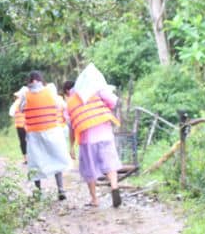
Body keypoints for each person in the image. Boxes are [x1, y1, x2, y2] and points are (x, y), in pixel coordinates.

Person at [64, 80, 123, 208]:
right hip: (105, 135)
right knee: (110, 164)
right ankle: (114, 187)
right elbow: (114, 102)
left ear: (69, 91)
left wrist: (72, 147)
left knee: (89, 169)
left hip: (87, 140)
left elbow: (72, 127)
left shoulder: (70, 102)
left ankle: (94, 199)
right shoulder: (96, 92)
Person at [20, 71, 70, 200]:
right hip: (52, 131)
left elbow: (20, 109)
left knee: (36, 162)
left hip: (34, 133)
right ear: (42, 80)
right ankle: (61, 189)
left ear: (29, 82)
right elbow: (63, 105)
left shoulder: (25, 95)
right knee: (57, 159)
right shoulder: (50, 92)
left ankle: (38, 192)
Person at [9, 90, 28, 164]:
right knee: (30, 142)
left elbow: (11, 113)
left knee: (23, 142)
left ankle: (26, 159)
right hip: (27, 125)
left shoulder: (16, 103)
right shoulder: (28, 101)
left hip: (19, 125)